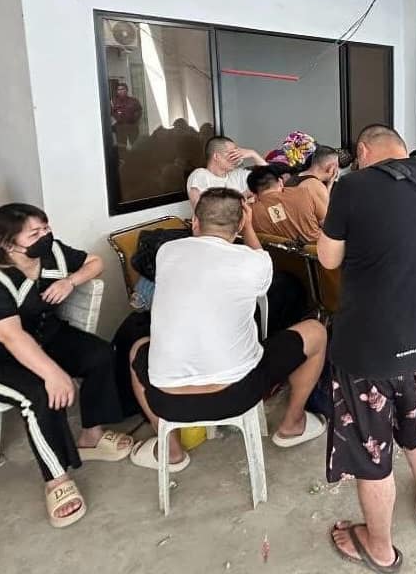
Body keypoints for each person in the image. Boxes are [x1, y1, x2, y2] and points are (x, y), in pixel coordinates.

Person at [317, 125, 416, 574]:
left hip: (367, 345)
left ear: (363, 151)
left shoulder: (352, 187)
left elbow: (328, 259)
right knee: (414, 413)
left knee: (370, 444)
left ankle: (379, 548)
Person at [127, 188, 327, 471]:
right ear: (241, 223)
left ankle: (170, 448)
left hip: (165, 401)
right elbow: (260, 270)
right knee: (316, 332)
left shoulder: (167, 252)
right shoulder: (252, 262)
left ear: (195, 222)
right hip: (236, 395)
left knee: (138, 348)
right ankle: (293, 423)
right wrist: (249, 229)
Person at [0, 204, 132, 528]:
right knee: (39, 394)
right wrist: (54, 373)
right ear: (8, 243)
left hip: (46, 338)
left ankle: (91, 436)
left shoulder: (52, 252)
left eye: (46, 228)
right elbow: (11, 337)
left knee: (100, 354)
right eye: (35, 233)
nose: (45, 236)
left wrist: (70, 281)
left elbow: (95, 262)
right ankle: (56, 479)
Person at [247, 166, 329, 243]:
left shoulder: (249, 213)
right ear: (280, 182)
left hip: (279, 253)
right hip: (317, 249)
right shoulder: (304, 193)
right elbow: (327, 224)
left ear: (254, 194)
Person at [186, 135, 264, 209]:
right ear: (216, 156)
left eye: (237, 153)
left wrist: (253, 154)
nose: (236, 157)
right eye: (232, 153)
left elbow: (269, 180)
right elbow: (203, 212)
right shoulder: (200, 175)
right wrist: (243, 197)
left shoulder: (237, 174)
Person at [110, 82, 143, 149]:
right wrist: (115, 120)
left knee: (135, 146)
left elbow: (139, 112)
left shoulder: (133, 101)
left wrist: (134, 120)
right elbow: (111, 113)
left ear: (126, 90)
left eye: (122, 89)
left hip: (132, 126)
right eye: (118, 90)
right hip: (120, 128)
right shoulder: (113, 102)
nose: (120, 91)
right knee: (122, 146)